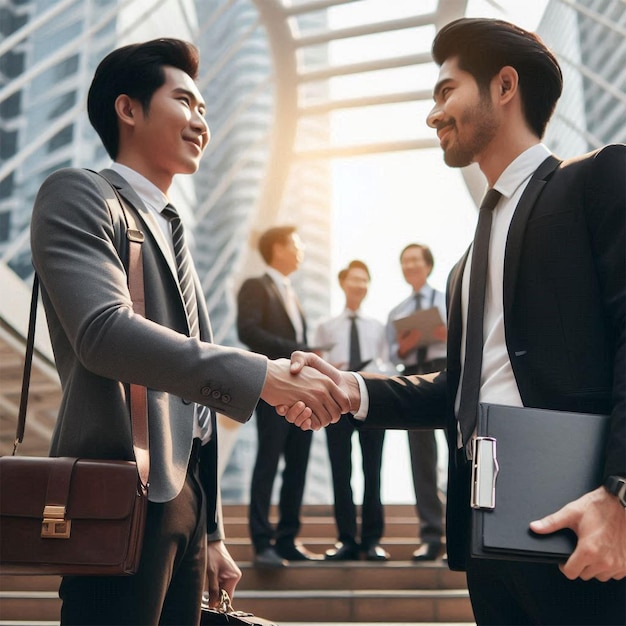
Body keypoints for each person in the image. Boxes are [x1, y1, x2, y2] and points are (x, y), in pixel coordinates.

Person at [285, 17, 626, 625]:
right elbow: (460, 392)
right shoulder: (466, 261)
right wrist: (355, 390)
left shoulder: (596, 182)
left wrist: (620, 496)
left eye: (445, 91)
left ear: (504, 86)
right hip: (488, 531)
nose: (432, 113)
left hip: (586, 519)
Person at [29, 39, 348, 625]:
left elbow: (195, 403)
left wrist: (213, 530)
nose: (202, 122)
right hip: (117, 492)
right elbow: (103, 334)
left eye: (205, 109)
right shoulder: (79, 195)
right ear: (128, 110)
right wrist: (261, 376)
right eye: (185, 103)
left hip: (184, 506)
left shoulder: (175, 231)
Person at [237, 226, 322, 567]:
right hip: (272, 387)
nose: (302, 248)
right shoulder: (256, 286)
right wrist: (297, 351)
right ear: (278, 248)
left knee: (298, 464)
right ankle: (262, 542)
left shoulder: (292, 292)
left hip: (302, 391)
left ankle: (287, 539)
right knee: (269, 460)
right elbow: (249, 331)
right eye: (297, 243)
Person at [315, 260, 390, 561]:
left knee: (373, 471)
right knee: (340, 471)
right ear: (343, 283)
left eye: (364, 280)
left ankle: (372, 541)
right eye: (354, 279)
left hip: (373, 399)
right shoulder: (326, 327)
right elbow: (316, 363)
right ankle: (346, 539)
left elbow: (389, 363)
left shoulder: (379, 328)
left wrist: (376, 372)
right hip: (337, 401)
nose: (359, 285)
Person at [386, 243, 446, 561]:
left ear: (427, 264)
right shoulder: (398, 312)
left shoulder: (448, 299)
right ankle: (431, 535)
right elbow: (391, 353)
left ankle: (461, 530)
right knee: (420, 457)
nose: (409, 265)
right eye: (404, 260)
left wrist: (445, 333)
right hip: (412, 376)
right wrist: (405, 345)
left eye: (414, 259)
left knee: (461, 451)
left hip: (446, 371)